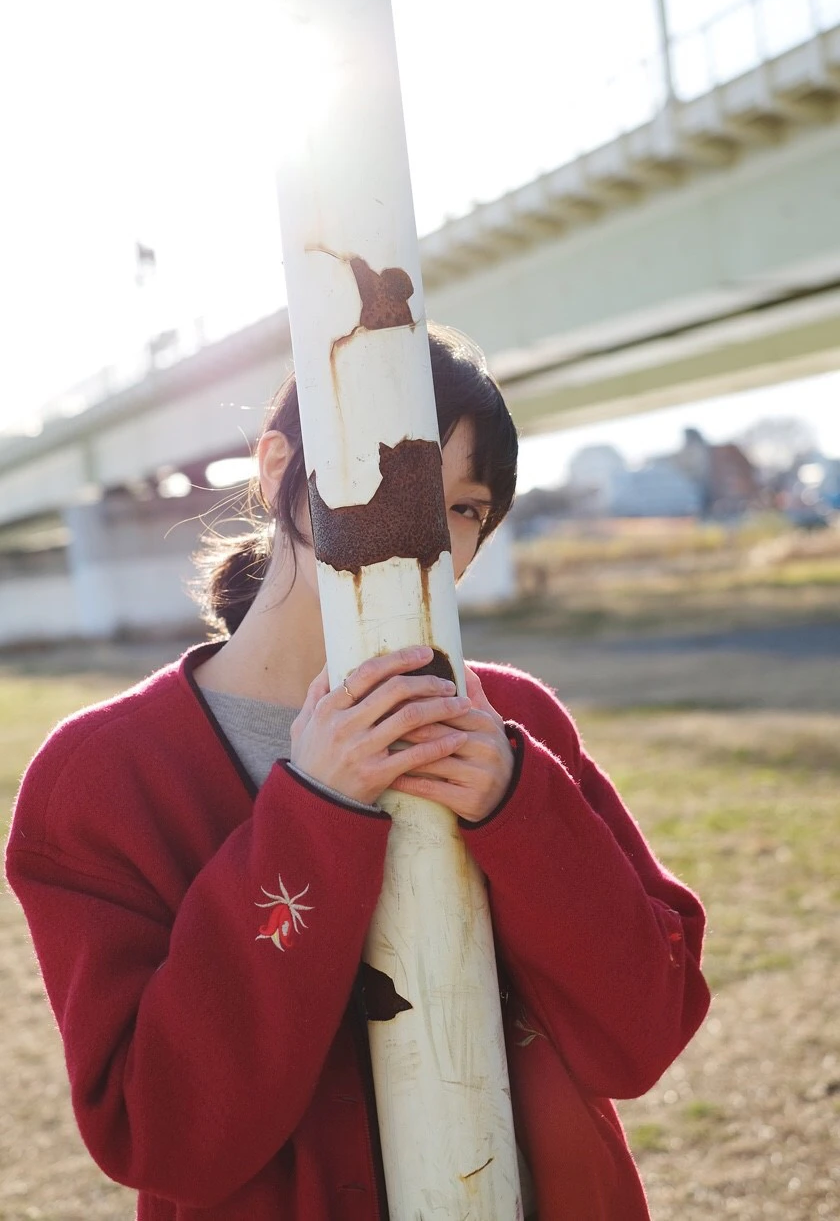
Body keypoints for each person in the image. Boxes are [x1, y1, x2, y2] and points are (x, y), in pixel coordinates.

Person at [5, 324, 710, 1221]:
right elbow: (164, 1136)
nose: (421, 537)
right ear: (276, 472)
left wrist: (521, 808)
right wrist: (316, 811)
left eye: (463, 508)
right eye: (390, 479)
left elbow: (641, 1039)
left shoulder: (512, 725)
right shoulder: (103, 777)